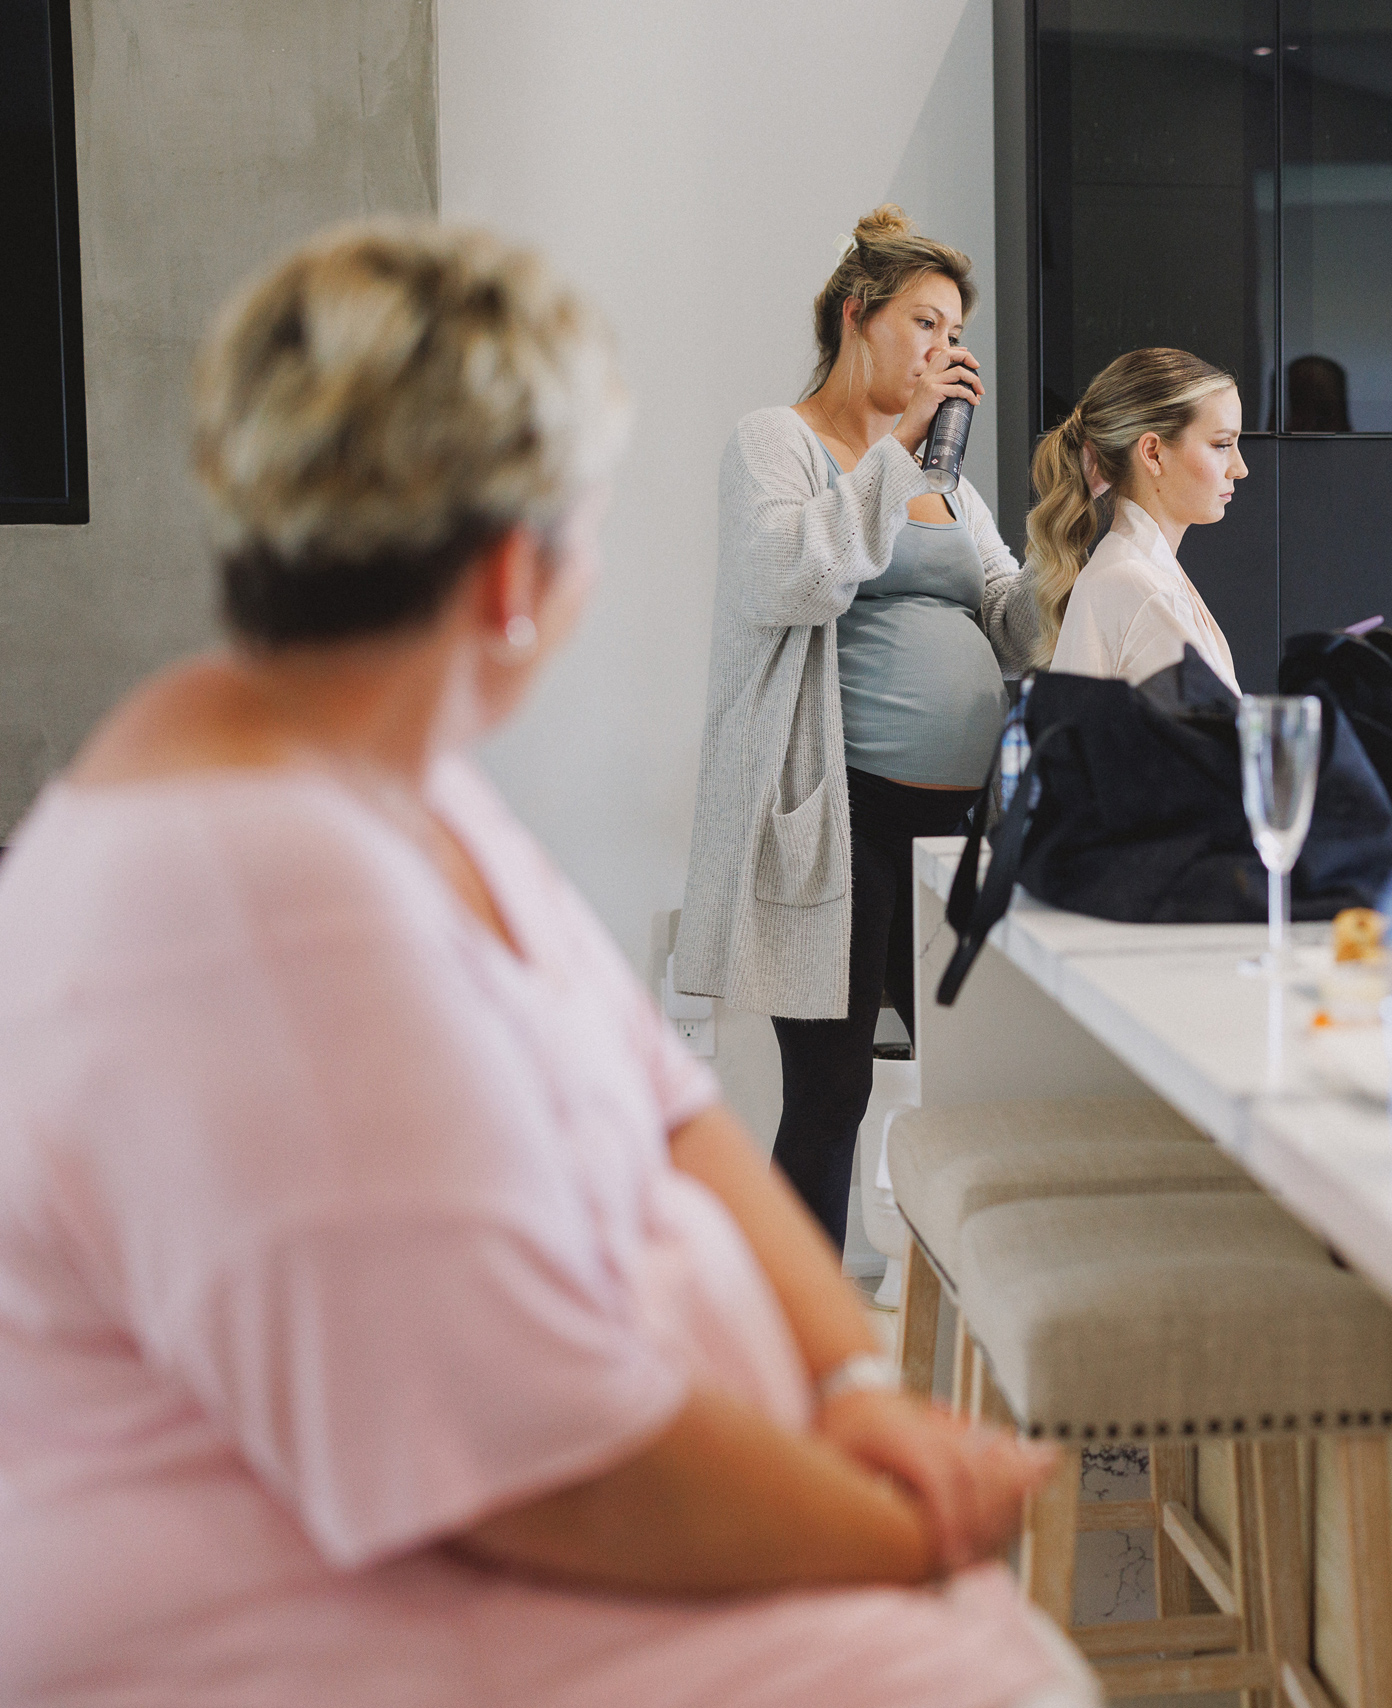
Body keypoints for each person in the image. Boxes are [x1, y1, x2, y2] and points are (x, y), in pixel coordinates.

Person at [0, 220, 1090, 1708]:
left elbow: (670, 1109)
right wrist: (908, 1529)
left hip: (552, 1522)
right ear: (519, 572)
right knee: (997, 1669)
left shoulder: (395, 785)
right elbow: (539, 1468)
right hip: (378, 1609)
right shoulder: (260, 897)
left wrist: (845, 1387)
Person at [676, 205, 1039, 1250]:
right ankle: (795, 1354)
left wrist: (1075, 540)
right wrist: (901, 456)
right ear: (856, 316)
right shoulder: (776, 444)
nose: (945, 352)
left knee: (979, 1087)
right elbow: (793, 577)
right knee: (830, 1095)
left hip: (960, 828)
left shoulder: (951, 487)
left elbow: (1011, 624)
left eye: (953, 334)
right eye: (924, 324)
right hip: (846, 824)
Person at [1031, 348, 1247, 690]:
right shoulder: (1137, 586)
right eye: (1222, 444)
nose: (1240, 468)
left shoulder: (1140, 574)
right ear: (1153, 453)